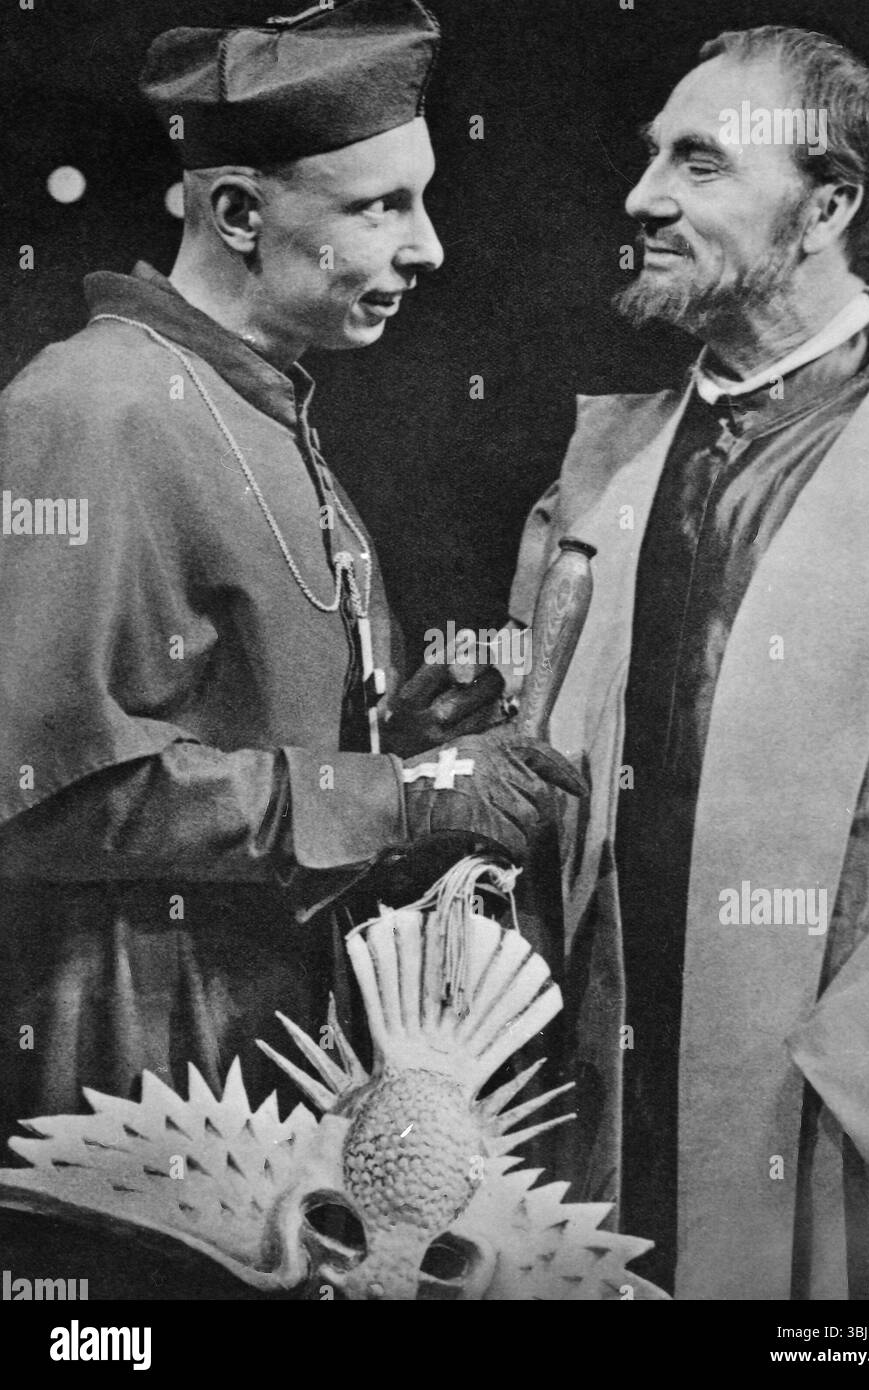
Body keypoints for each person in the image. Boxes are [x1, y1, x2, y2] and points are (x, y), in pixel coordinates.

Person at [0, 0, 581, 1188]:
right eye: (383, 207)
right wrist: (399, 795)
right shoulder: (93, 406)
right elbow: (40, 799)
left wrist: (394, 737)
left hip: (262, 1034)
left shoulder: (265, 400)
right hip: (138, 1054)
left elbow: (223, 727)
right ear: (236, 213)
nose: (426, 249)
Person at [507, 25, 869, 1299]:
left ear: (826, 206)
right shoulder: (602, 468)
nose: (642, 197)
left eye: (699, 164)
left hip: (855, 1125)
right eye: (651, 158)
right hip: (601, 1095)